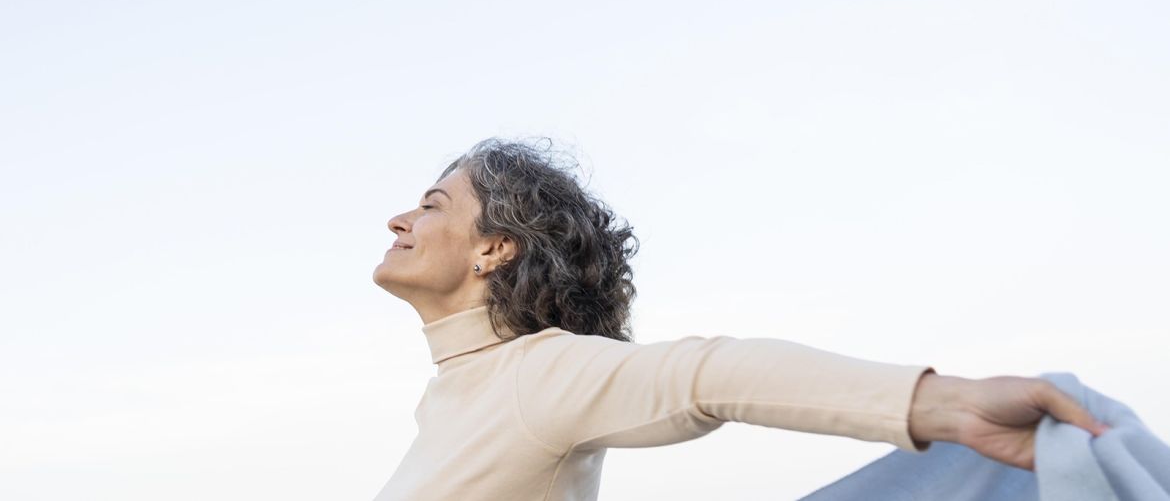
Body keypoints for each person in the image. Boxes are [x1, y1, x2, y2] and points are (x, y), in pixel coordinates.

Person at [370, 137, 1109, 501]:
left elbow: (709, 373)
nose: (398, 218)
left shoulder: (540, 373)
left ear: (495, 248)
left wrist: (947, 406)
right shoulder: (447, 400)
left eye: (432, 206)